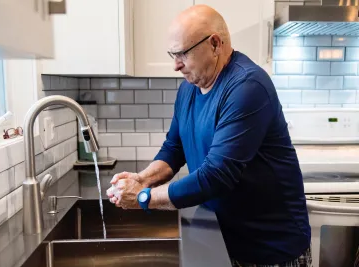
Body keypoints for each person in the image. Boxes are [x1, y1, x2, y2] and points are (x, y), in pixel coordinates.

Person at [106, 4, 312, 267]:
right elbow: (173, 148)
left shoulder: (247, 87)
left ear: (215, 44)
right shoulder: (189, 89)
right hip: (224, 240)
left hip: (271, 249)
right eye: (172, 54)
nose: (175, 65)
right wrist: (141, 179)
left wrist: (143, 198)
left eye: (182, 54)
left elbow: (216, 175)